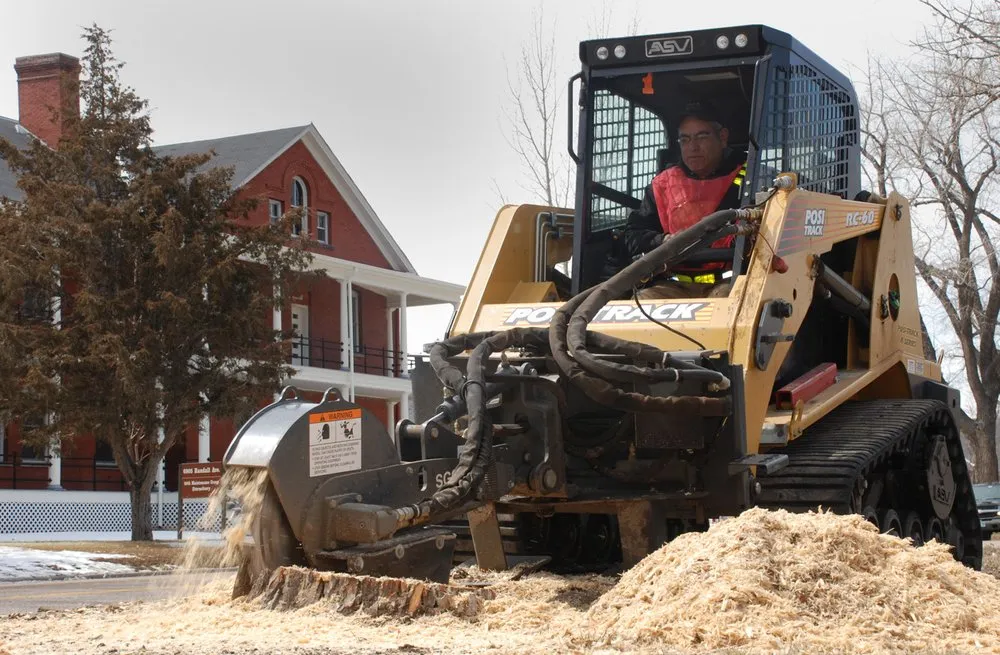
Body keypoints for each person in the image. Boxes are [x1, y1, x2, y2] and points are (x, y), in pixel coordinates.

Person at [624, 100, 746, 299]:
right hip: (672, 285)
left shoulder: (751, 178)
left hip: (729, 282)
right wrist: (663, 240)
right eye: (685, 139)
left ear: (722, 137)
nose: (693, 147)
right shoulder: (662, 185)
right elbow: (633, 235)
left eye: (702, 137)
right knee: (641, 304)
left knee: (728, 306)